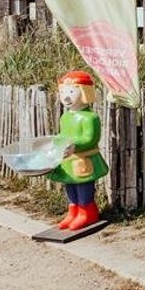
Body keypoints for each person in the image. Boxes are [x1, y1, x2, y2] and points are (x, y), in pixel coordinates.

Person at [49, 71, 108, 230]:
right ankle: (73, 211)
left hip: (83, 159)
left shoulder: (90, 118)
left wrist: (75, 145)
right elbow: (64, 135)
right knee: (69, 185)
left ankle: (87, 213)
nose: (66, 97)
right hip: (68, 159)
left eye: (71, 91)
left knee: (83, 186)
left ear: (84, 92)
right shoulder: (65, 117)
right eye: (63, 92)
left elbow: (91, 138)